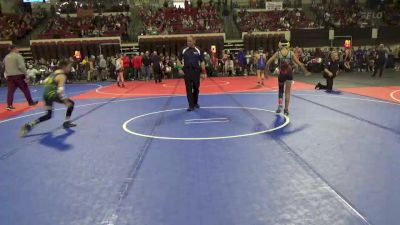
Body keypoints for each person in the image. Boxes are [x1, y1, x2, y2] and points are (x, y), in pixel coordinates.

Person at [20, 59, 76, 137]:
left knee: (48, 115)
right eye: (69, 67)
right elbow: (60, 91)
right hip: (52, 94)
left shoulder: (55, 72)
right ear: (64, 67)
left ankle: (30, 124)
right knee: (71, 104)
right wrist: (65, 101)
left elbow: (45, 81)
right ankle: (66, 122)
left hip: (45, 94)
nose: (70, 69)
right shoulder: (62, 76)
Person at [266, 39, 310, 116]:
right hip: (289, 73)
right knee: (287, 92)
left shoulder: (278, 53)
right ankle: (286, 110)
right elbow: (299, 64)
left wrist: (267, 71)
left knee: (280, 91)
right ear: (288, 44)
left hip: (282, 73)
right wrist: (305, 71)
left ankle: (280, 106)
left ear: (280, 45)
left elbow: (268, 62)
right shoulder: (291, 53)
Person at [3, 45, 38, 111]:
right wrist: (26, 74)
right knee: (25, 89)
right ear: (15, 49)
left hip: (10, 77)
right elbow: (21, 66)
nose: (18, 50)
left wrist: (7, 74)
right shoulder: (18, 56)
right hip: (19, 76)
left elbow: (4, 67)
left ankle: (9, 105)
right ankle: (31, 102)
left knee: (10, 91)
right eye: (17, 48)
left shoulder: (6, 57)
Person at [177, 36, 207, 112]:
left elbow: (202, 61)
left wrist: (203, 72)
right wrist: (179, 69)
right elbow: (178, 60)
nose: (188, 42)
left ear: (194, 41)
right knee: (188, 89)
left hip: (196, 71)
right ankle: (191, 105)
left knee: (196, 88)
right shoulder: (183, 50)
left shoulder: (199, 50)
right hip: (187, 71)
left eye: (190, 41)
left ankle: (195, 102)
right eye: (187, 41)